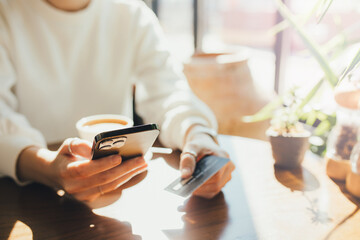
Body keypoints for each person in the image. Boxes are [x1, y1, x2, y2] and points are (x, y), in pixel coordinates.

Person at [0, 0, 235, 203]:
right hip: (22, 196)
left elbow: (168, 92)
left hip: (117, 192)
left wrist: (198, 134)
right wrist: (49, 168)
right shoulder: (6, 14)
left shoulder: (131, 14)